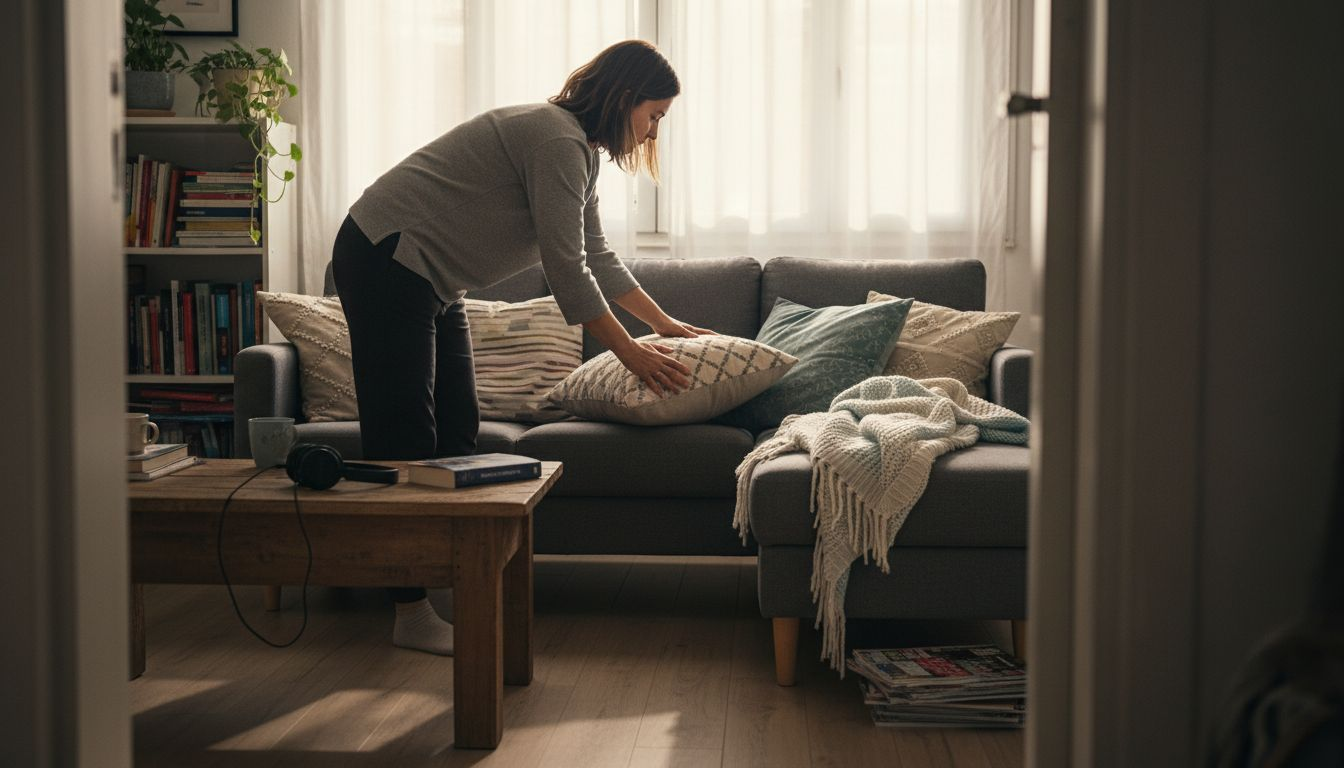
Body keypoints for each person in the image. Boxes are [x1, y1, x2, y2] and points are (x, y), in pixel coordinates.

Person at [331, 40, 713, 656]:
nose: (652, 132)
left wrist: (663, 323)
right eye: (654, 116)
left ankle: (445, 587)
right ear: (622, 100)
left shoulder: (579, 153)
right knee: (402, 432)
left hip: (434, 276)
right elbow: (568, 270)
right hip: (386, 255)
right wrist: (629, 352)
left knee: (459, 430)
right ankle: (408, 611)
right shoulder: (555, 140)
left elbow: (599, 257)